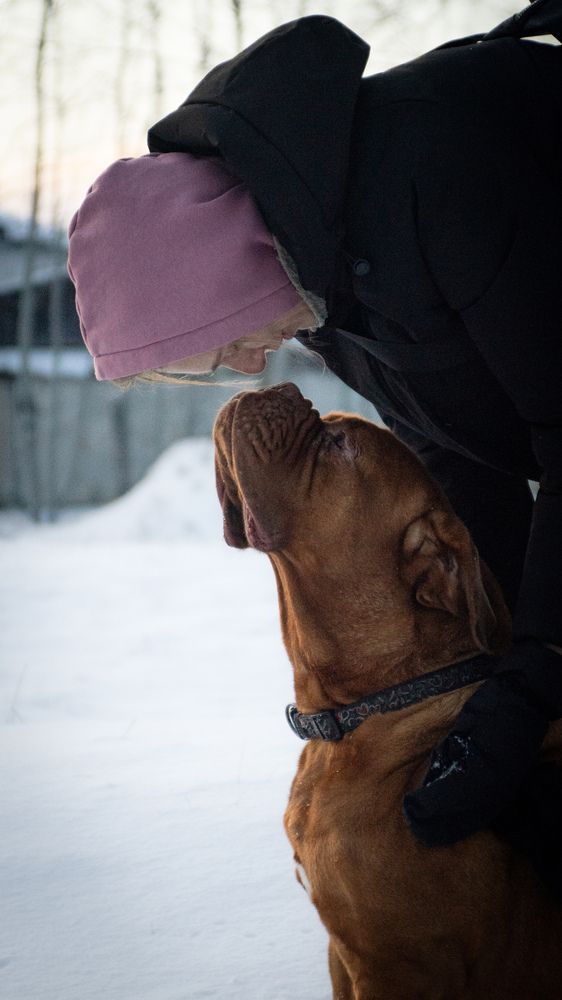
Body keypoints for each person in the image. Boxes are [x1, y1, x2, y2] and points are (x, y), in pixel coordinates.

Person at [67, 12, 562, 854]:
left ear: (220, 274)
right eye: (216, 367)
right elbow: (456, 450)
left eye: (219, 346)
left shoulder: (434, 167)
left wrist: (535, 676)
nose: (250, 366)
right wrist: (499, 663)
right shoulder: (317, 272)